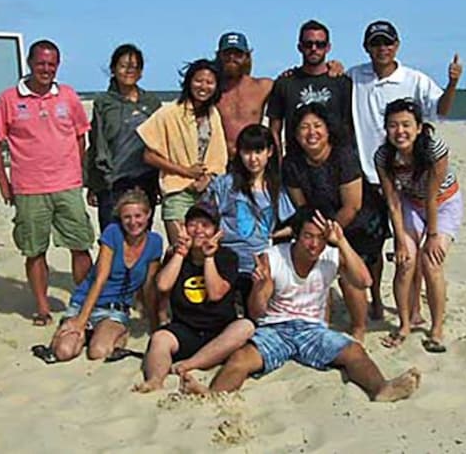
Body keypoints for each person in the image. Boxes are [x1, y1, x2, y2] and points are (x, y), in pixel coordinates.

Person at [179, 208, 421, 402]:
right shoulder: (273, 257)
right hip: (275, 327)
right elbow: (256, 312)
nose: (314, 244)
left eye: (320, 238)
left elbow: (364, 280)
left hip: (312, 329)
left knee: (354, 352)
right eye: (307, 236)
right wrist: (261, 287)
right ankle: (212, 396)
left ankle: (381, 388)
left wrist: (342, 241)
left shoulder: (331, 254)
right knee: (241, 359)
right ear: (296, 236)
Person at [349, 20, 463, 327]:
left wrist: (452, 84)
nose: (382, 48)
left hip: (418, 189)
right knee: (375, 250)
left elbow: (442, 109)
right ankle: (377, 304)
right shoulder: (354, 77)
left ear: (397, 45)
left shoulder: (414, 79)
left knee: (418, 257)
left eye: (387, 42)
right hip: (373, 176)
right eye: (376, 43)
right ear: (366, 47)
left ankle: (415, 314)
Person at [0, 39, 93, 326]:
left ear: (57, 65)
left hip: (67, 184)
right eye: (41, 63)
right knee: (35, 251)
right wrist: (2, 182)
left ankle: (84, 302)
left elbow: (81, 135)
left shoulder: (69, 96)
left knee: (81, 245)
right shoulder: (9, 99)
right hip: (29, 188)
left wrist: (78, 170)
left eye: (51, 64)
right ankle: (43, 307)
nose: (46, 69)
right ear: (29, 64)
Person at [282, 104, 387, 340]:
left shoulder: (343, 155)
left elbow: (352, 205)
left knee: (367, 263)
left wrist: (331, 236)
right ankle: (354, 323)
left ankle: (373, 307)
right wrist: (317, 235)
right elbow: (302, 208)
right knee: (346, 271)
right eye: (304, 128)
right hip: (321, 220)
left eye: (317, 126)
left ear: (328, 130)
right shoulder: (292, 163)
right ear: (295, 134)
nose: (311, 133)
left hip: (363, 217)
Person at [133, 201, 256, 392]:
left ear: (216, 230)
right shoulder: (177, 256)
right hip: (186, 329)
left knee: (245, 327)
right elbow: (163, 285)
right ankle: (155, 380)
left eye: (205, 225)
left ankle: (188, 365)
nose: (198, 230)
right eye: (192, 224)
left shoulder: (227, 257)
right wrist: (181, 253)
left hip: (218, 332)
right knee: (159, 339)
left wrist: (208, 257)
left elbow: (216, 293)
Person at [375, 98, 463, 352]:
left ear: (419, 127)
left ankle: (436, 329)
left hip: (444, 203)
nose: (399, 131)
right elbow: (392, 200)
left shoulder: (434, 150)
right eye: (393, 125)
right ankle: (404, 324)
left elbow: (433, 196)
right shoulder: (383, 156)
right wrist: (400, 240)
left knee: (431, 262)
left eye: (406, 125)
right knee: (406, 262)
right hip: (410, 203)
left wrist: (433, 235)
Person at [51, 189, 164, 362]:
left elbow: (149, 286)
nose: (133, 222)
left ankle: (111, 333)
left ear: (148, 214)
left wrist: (155, 324)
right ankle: (81, 331)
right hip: (86, 302)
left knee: (98, 352)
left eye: (138, 216)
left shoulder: (155, 242)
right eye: (127, 217)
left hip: (114, 308)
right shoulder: (113, 233)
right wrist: (82, 320)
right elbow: (100, 278)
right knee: (64, 352)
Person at [137, 58, 228, 244]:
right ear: (189, 82)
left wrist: (208, 177)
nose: (203, 86)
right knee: (180, 248)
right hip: (177, 190)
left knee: (204, 250)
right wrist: (185, 172)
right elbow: (149, 155)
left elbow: (218, 156)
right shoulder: (170, 112)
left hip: (206, 191)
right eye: (198, 80)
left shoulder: (213, 114)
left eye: (210, 82)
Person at [206, 124, 295, 308]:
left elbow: (296, 224)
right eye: (247, 152)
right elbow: (205, 215)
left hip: (258, 263)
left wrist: (274, 236)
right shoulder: (226, 184)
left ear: (269, 151)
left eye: (258, 151)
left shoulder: (277, 188)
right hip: (225, 260)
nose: (253, 158)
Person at [85, 44, 163, 228]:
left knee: (140, 236)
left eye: (134, 66)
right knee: (112, 237)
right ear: (113, 69)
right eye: (123, 65)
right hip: (112, 182)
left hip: (146, 181)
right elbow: (96, 143)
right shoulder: (103, 102)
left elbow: (162, 144)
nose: (129, 70)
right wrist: (93, 186)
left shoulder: (152, 102)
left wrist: (161, 183)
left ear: (141, 72)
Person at [266, 20, 353, 156]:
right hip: (296, 166)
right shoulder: (284, 83)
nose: (314, 49)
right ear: (299, 47)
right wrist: (278, 165)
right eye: (308, 44)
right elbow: (274, 130)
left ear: (328, 47)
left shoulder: (342, 83)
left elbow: (349, 127)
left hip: (336, 165)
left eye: (320, 44)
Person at [213, 32, 274, 157]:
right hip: (221, 160)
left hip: (252, 159)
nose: (232, 58)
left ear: (247, 57)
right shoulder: (211, 90)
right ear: (219, 56)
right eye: (227, 54)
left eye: (238, 54)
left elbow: (292, 87)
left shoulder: (263, 87)